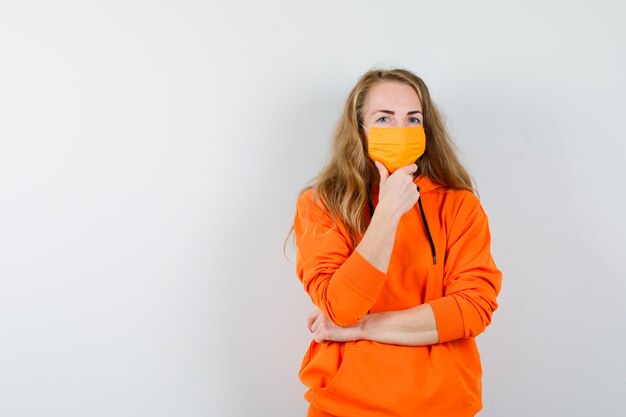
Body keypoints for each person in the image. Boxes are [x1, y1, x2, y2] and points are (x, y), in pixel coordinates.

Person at [288, 68, 503, 417]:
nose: (400, 130)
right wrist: (387, 212)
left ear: (426, 130)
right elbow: (341, 307)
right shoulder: (321, 204)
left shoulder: (459, 205)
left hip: (443, 406)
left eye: (412, 119)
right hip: (343, 407)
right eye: (384, 118)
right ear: (359, 128)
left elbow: (473, 309)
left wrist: (360, 329)